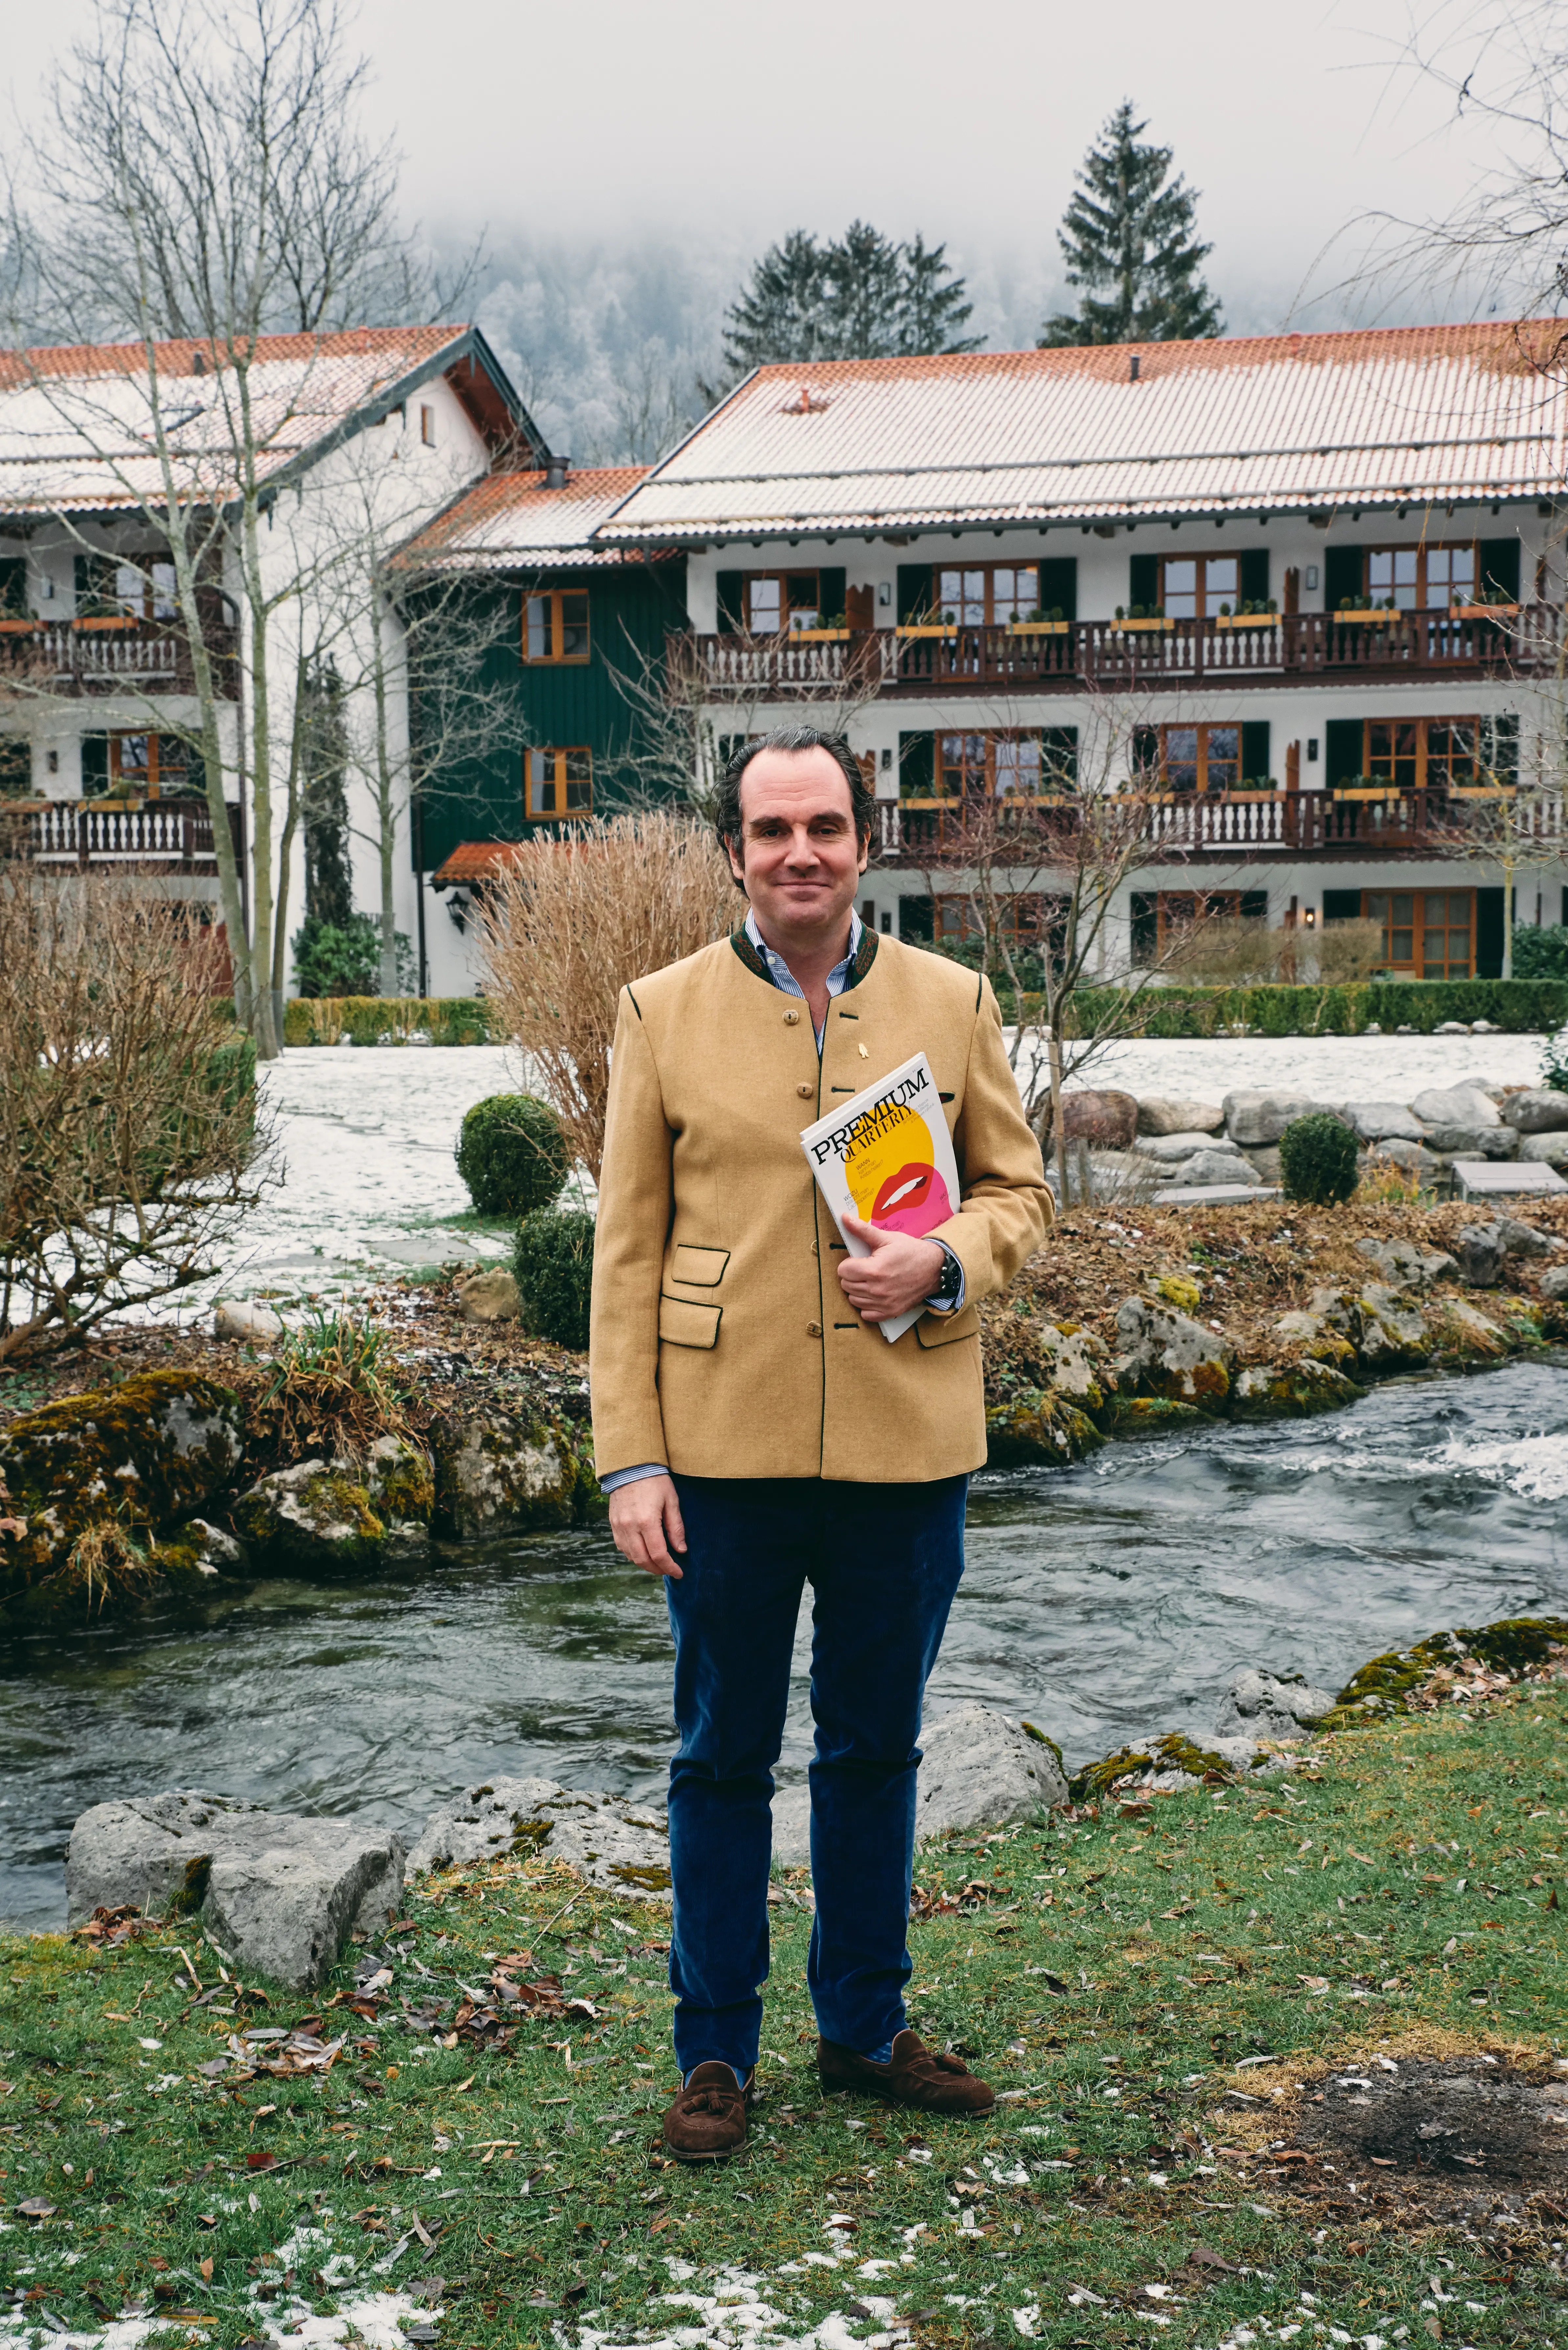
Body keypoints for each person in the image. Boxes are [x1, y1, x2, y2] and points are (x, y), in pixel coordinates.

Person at [589, 725, 1051, 2161]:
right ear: (733, 848)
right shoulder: (657, 1013)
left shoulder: (951, 998)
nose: (800, 854)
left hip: (906, 1450)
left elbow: (1022, 1199)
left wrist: (947, 1262)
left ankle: (859, 2025)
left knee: (874, 1749)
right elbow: (623, 1254)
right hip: (716, 1454)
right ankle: (712, 2057)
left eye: (826, 828)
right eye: (772, 829)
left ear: (865, 839)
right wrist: (630, 1459)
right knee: (719, 1757)